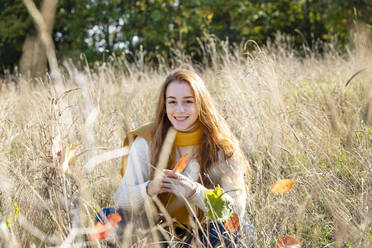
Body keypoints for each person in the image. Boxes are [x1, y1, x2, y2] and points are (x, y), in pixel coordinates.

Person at [106, 69, 255, 247]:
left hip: (206, 234)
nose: (179, 110)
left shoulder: (221, 145)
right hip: (158, 233)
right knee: (106, 218)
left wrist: (194, 192)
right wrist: (150, 188)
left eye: (188, 102)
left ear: (201, 103)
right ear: (164, 106)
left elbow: (237, 209)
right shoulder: (146, 141)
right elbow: (121, 198)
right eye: (172, 102)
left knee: (241, 230)